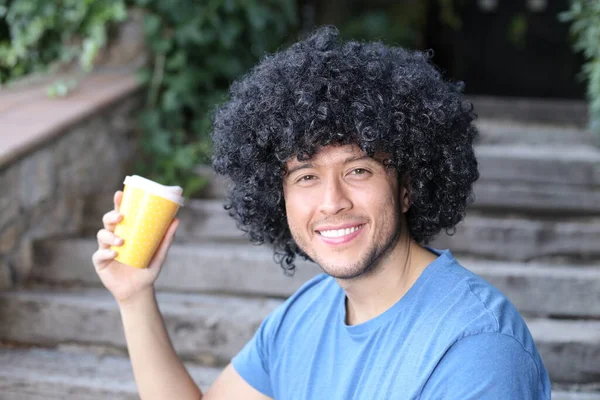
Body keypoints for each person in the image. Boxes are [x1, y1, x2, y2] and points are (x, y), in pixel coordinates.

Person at [92, 26, 551, 399]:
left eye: (358, 170)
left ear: (407, 187)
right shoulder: (306, 313)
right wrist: (134, 298)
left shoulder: (476, 348)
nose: (332, 201)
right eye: (306, 176)